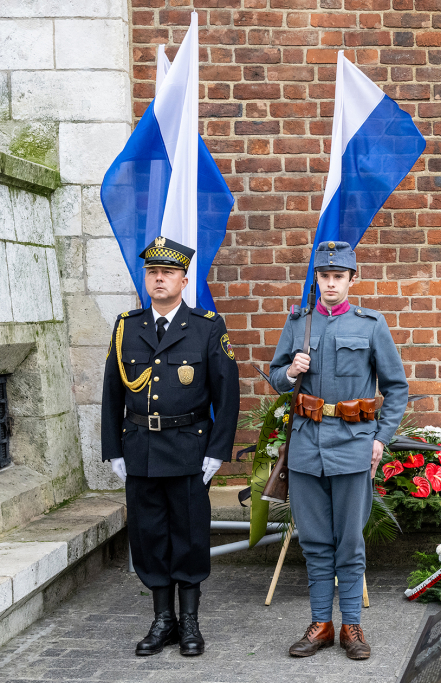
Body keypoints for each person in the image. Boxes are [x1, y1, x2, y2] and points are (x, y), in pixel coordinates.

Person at [269, 241, 408, 660]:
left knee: (349, 540)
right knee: (313, 540)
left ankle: (351, 624)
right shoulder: (299, 323)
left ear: (351, 280)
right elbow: (276, 377)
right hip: (308, 447)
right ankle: (321, 624)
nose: (331, 283)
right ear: (316, 280)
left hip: (353, 445)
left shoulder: (370, 324)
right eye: (324, 277)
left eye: (338, 277)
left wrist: (380, 439)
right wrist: (290, 370)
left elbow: (396, 387)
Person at [101, 236, 240, 657]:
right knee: (148, 535)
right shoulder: (127, 325)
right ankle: (163, 621)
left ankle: (191, 622)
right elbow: (111, 392)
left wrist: (216, 452)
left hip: (188, 450)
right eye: (152, 272)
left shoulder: (206, 326)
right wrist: (114, 450)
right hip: (140, 447)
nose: (158, 279)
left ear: (183, 279)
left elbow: (227, 395)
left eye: (167, 273)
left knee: (190, 534)